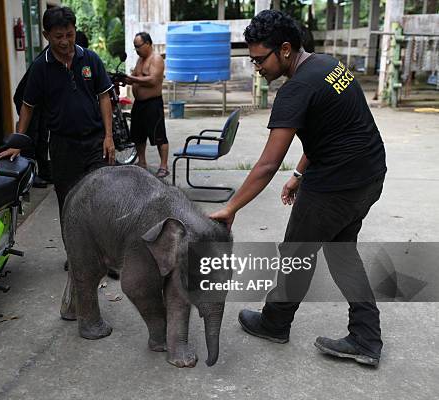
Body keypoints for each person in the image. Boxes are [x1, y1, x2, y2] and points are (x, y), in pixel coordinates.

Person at [210, 10, 387, 367]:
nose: (256, 66)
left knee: (296, 254)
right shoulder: (327, 65)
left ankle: (275, 323)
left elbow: (266, 164)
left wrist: (231, 208)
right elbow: (327, 131)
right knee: (340, 251)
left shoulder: (296, 90)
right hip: (369, 176)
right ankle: (367, 338)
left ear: (286, 49)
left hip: (337, 186)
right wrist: (300, 175)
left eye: (260, 59)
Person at [0, 7, 115, 212]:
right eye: (58, 36)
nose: (65, 41)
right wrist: (19, 142)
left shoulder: (90, 59)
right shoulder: (40, 67)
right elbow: (27, 106)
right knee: (69, 204)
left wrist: (109, 136)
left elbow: (104, 97)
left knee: (103, 198)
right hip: (63, 147)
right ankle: (73, 244)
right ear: (46, 35)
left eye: (70, 34)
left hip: (95, 142)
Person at [126, 32, 169, 178]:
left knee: (159, 135)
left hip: (153, 103)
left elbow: (153, 80)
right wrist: (125, 79)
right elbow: (135, 77)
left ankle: (163, 166)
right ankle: (142, 162)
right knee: (138, 135)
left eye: (138, 46)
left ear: (148, 44)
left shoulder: (156, 59)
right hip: (139, 104)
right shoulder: (140, 60)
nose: (137, 49)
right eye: (135, 47)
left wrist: (132, 78)